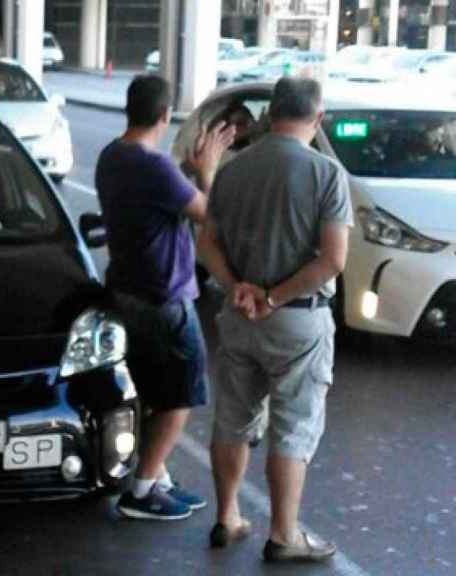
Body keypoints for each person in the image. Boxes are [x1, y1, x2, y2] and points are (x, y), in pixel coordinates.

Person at [198, 77, 351, 562]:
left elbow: (206, 244)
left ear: (270, 114)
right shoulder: (326, 174)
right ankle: (284, 534)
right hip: (295, 322)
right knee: (293, 426)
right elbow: (332, 261)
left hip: (239, 316)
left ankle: (227, 517)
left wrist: (238, 288)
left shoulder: (234, 169)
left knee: (233, 419)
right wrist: (274, 296)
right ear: (318, 117)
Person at [96, 75, 234, 521]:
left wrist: (190, 172)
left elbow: (166, 198)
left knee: (154, 393)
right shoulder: (153, 167)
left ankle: (156, 479)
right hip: (163, 299)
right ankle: (141, 489)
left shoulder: (112, 156)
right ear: (165, 115)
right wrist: (209, 171)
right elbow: (210, 217)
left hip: (127, 290)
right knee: (181, 399)